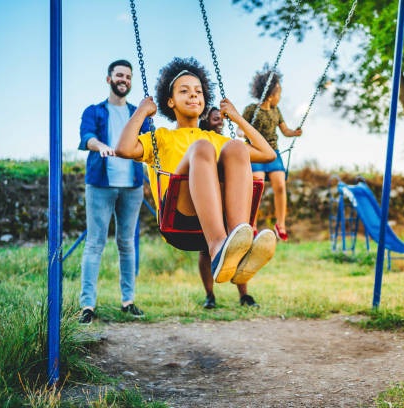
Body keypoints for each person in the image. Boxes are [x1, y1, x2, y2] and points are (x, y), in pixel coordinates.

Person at [116, 57, 277, 305]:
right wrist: (141, 111)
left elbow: (267, 154)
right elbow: (124, 149)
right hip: (179, 219)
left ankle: (238, 244)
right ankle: (218, 249)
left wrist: (236, 117)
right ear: (170, 102)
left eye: (198, 91)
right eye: (184, 91)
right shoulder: (161, 137)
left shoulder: (215, 138)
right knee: (201, 148)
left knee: (236, 149)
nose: (193, 95)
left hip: (217, 219)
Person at [78, 60, 150, 325]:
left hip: (132, 185)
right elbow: (87, 137)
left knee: (126, 243)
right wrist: (101, 146)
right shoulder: (94, 111)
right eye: (119, 75)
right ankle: (87, 305)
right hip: (100, 184)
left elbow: (149, 145)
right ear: (109, 79)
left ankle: (128, 301)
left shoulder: (138, 114)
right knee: (95, 243)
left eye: (128, 76)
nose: (124, 80)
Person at [199, 107, 259, 308]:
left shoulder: (229, 143)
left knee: (237, 243)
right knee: (205, 251)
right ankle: (210, 295)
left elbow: (267, 154)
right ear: (204, 119)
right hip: (203, 203)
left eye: (220, 117)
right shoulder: (198, 140)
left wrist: (237, 118)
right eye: (212, 115)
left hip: (228, 202)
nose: (218, 117)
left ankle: (244, 295)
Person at [241, 67, 302, 241]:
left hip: (274, 153)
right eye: (279, 92)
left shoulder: (276, 110)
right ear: (270, 94)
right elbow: (242, 127)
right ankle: (251, 223)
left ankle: (280, 224)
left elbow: (285, 130)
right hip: (256, 152)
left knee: (280, 186)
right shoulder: (251, 109)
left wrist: (294, 133)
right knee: (257, 185)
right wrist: (240, 132)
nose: (280, 96)